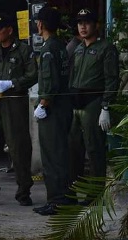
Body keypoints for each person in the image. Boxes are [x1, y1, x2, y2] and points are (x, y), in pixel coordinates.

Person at [0, 14, 37, 207]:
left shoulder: (23, 51)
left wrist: (12, 83)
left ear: (9, 30)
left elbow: (32, 75)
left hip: (14, 104)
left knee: (18, 147)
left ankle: (23, 191)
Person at [68, 8, 119, 204]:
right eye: (80, 23)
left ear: (95, 25)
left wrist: (105, 107)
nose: (82, 26)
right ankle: (73, 192)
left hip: (94, 103)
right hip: (76, 103)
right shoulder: (78, 48)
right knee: (73, 149)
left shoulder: (106, 48)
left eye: (87, 22)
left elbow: (111, 80)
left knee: (95, 149)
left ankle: (95, 194)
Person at [32, 7, 73, 216]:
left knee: (52, 155)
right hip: (64, 108)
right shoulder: (59, 46)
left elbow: (49, 83)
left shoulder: (48, 49)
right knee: (61, 153)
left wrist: (42, 105)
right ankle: (64, 195)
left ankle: (56, 199)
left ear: (41, 24)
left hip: (53, 110)